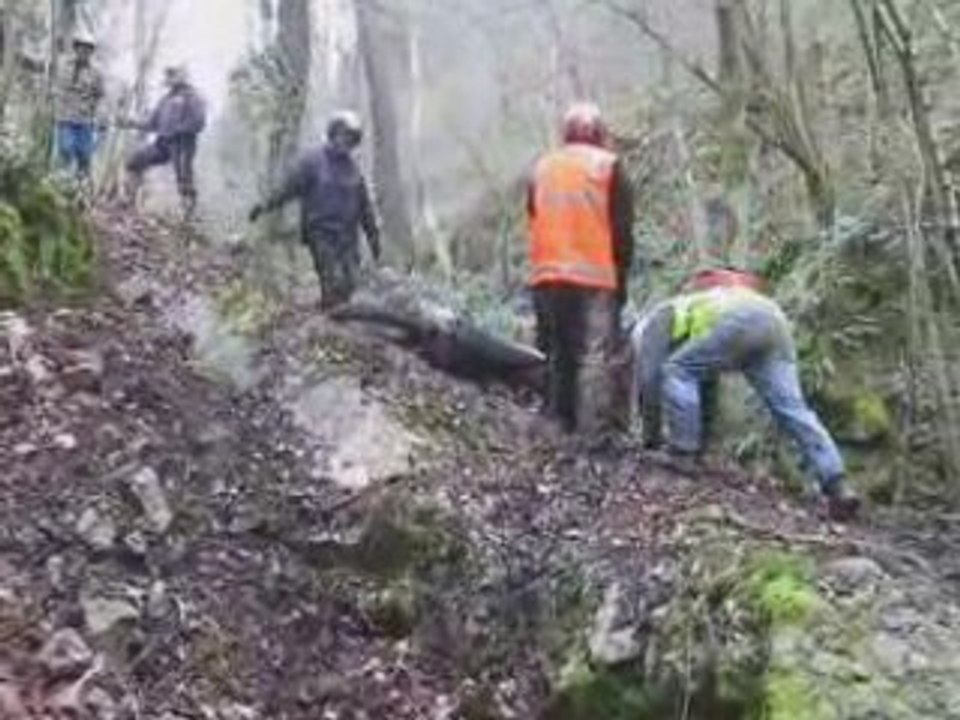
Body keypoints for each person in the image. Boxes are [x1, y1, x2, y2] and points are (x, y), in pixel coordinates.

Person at [631, 269, 861, 520]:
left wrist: (651, 439)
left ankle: (683, 454)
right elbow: (704, 389)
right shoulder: (702, 311)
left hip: (742, 318)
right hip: (773, 319)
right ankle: (838, 484)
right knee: (792, 409)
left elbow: (649, 380)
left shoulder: (656, 320)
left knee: (676, 370)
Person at [527, 102, 635, 434]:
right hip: (596, 275)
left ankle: (557, 420)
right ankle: (595, 431)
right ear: (599, 133)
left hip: (547, 275)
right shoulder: (609, 167)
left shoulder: (541, 168)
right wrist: (622, 279)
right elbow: (622, 230)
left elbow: (533, 217)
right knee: (596, 355)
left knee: (557, 350)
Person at [248, 110, 381, 311]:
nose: (345, 142)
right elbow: (287, 188)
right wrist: (264, 205)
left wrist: (373, 238)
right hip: (321, 232)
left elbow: (365, 207)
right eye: (342, 136)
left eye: (350, 139)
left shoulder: (353, 170)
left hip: (348, 236)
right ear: (333, 133)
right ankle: (329, 325)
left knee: (352, 286)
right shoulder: (312, 161)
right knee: (333, 282)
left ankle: (343, 324)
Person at [125, 66, 207, 217]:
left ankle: (188, 215)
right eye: (168, 75)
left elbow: (199, 122)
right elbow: (151, 123)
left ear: (182, 76)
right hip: (162, 143)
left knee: (184, 179)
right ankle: (131, 201)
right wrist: (132, 123)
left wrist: (179, 129)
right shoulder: (165, 99)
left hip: (183, 144)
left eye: (172, 74)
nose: (169, 78)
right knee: (134, 161)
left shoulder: (192, 96)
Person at [52, 29, 105, 180]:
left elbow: (100, 96)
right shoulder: (64, 66)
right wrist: (55, 104)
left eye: (88, 49)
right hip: (65, 118)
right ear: (76, 48)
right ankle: (62, 184)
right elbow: (57, 88)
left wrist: (99, 117)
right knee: (65, 150)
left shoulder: (96, 73)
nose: (84, 51)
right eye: (81, 47)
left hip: (84, 120)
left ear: (91, 52)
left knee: (84, 155)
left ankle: (82, 187)